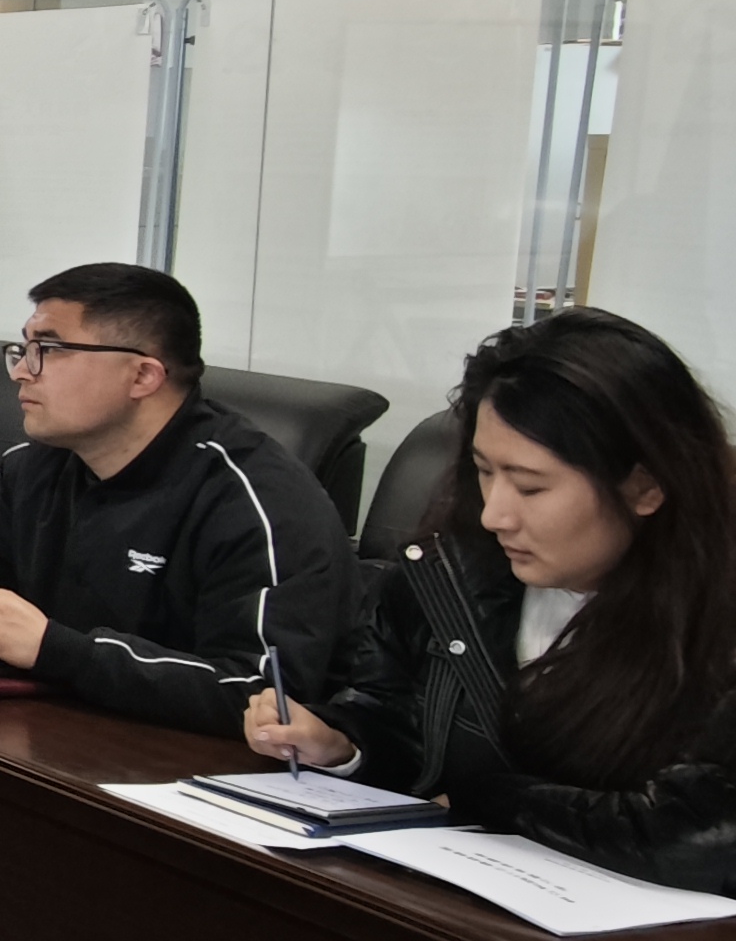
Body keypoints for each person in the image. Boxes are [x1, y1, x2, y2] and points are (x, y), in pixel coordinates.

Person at [248, 307, 736, 888]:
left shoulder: (715, 622)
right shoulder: (450, 571)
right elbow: (396, 721)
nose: (494, 514)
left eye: (531, 486)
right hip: (445, 903)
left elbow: (697, 837)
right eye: (484, 472)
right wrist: (339, 744)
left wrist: (489, 799)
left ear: (645, 486)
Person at [0, 263, 348, 735]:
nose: (20, 372)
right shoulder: (34, 467)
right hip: (47, 733)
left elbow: (262, 694)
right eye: (23, 349)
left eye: (49, 350)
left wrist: (58, 651)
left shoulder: (253, 497)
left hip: (182, 763)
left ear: (142, 376)